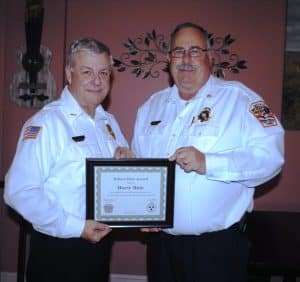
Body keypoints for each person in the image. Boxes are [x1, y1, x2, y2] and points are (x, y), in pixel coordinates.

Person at [132, 22, 284, 282]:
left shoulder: (242, 100)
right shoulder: (150, 107)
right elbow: (140, 170)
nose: (186, 59)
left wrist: (208, 162)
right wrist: (140, 212)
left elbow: (272, 158)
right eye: (179, 51)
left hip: (216, 250)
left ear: (210, 57)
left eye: (195, 50)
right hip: (161, 247)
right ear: (169, 59)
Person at [4, 38, 133, 282]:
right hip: (59, 251)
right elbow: (18, 191)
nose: (97, 81)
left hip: (100, 246)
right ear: (68, 74)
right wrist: (77, 227)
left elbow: (118, 183)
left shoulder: (109, 123)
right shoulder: (47, 123)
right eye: (87, 72)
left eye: (103, 73)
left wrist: (127, 162)